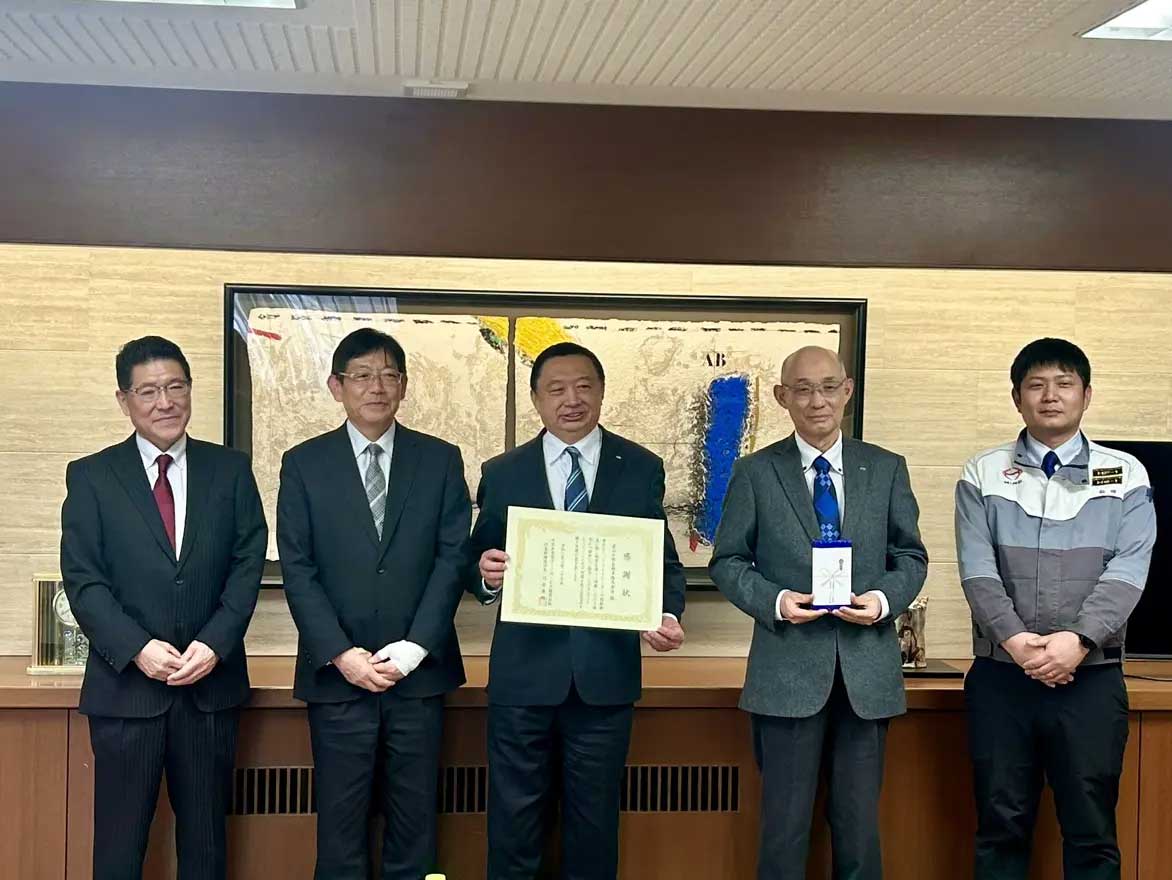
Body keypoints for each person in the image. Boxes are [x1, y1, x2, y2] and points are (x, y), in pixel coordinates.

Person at [468, 341, 687, 879]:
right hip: (523, 678)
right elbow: (475, 559)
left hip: (604, 679)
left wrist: (666, 614)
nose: (572, 399)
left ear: (602, 392)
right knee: (514, 826)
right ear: (536, 399)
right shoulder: (504, 471)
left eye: (584, 386)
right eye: (557, 389)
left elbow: (660, 561)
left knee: (594, 828)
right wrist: (485, 575)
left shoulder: (639, 467)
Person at [710, 345, 927, 880]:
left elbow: (910, 556)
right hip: (786, 672)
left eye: (829, 387)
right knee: (784, 831)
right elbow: (728, 560)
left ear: (847, 391)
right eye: (802, 390)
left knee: (859, 831)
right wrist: (777, 602)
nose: (817, 401)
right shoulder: (755, 472)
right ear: (782, 397)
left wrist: (882, 602)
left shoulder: (886, 468)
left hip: (865, 675)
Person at [60, 335, 267, 880]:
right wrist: (138, 649)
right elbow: (84, 581)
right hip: (126, 691)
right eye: (148, 391)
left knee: (206, 847)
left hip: (209, 690)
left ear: (191, 390)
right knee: (119, 849)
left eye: (176, 386)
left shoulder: (230, 470)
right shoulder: (92, 476)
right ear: (123, 400)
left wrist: (215, 644)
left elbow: (247, 565)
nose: (165, 402)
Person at [956, 337, 1156, 879]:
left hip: (1091, 680)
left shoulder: (1127, 474)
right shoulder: (982, 472)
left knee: (1092, 833)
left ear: (1086, 395)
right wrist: (1019, 643)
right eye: (1036, 385)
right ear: (1016, 397)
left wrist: (1078, 640)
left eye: (1064, 384)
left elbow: (1129, 571)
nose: (1050, 396)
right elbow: (977, 571)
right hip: (1002, 678)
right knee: (999, 829)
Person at [277, 328, 471, 880]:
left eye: (388, 375)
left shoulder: (439, 460)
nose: (376, 387)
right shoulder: (304, 463)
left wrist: (414, 648)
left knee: (416, 830)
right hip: (338, 678)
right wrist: (342, 654)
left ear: (404, 385)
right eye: (362, 375)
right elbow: (298, 568)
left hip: (419, 677)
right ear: (336, 386)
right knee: (340, 833)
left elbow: (452, 559)